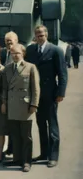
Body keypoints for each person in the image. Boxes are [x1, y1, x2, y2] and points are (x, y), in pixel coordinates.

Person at [26, 25, 68, 168]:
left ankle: (53, 156)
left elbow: (62, 73)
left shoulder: (56, 50)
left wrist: (61, 92)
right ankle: (44, 153)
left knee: (52, 124)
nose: (39, 37)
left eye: (42, 35)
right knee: (40, 123)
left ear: (47, 35)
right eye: (37, 35)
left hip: (50, 93)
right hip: (36, 93)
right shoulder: (31, 50)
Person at [1, 44, 40, 172]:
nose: (15, 56)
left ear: (23, 54)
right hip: (12, 105)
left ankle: (27, 161)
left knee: (26, 136)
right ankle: (17, 159)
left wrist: (34, 104)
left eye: (17, 53)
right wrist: (4, 102)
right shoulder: (7, 68)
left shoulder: (30, 67)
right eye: (12, 53)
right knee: (15, 135)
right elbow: (5, 88)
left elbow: (35, 88)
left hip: (25, 106)